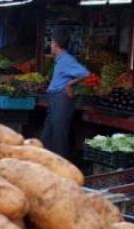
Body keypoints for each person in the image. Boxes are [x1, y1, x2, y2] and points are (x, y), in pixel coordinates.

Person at [41, 28, 89, 157]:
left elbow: (85, 73)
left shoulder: (67, 59)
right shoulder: (60, 60)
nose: (50, 45)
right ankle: (47, 162)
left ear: (55, 44)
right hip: (54, 99)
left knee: (59, 135)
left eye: (51, 43)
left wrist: (69, 84)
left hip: (61, 100)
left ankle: (61, 164)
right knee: (48, 134)